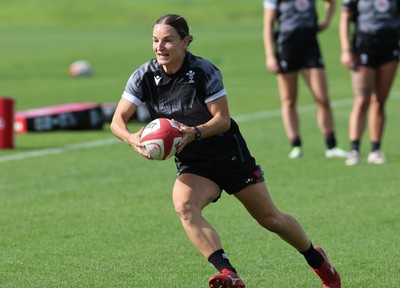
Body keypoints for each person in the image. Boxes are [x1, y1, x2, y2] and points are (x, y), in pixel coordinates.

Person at [110, 14, 341, 288]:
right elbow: (117, 122)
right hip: (194, 163)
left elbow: (222, 120)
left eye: (168, 40)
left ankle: (318, 261)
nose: (160, 47)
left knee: (271, 219)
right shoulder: (145, 75)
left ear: (185, 42)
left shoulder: (203, 71)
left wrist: (193, 132)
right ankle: (228, 273)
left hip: (229, 155)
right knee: (185, 206)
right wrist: (132, 138)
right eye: (156, 41)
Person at [263, 0, 348, 159]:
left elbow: (331, 2)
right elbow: (268, 25)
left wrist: (326, 22)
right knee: (289, 99)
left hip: (310, 47)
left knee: (322, 98)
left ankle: (331, 145)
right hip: (286, 46)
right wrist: (270, 56)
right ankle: (295, 144)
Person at [339, 0, 399, 166]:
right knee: (361, 100)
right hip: (363, 47)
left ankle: (375, 149)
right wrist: (345, 50)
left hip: (389, 49)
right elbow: (345, 18)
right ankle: (354, 149)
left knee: (379, 101)